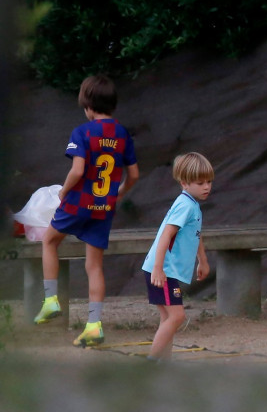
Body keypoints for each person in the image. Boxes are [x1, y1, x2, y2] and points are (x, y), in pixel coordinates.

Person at [34, 74, 139, 347]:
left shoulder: (82, 132)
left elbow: (77, 170)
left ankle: (50, 300)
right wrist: (118, 193)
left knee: (48, 241)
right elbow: (135, 175)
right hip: (103, 207)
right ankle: (94, 326)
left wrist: (64, 191)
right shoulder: (122, 134)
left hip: (78, 202)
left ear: (89, 107)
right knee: (94, 266)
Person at [142, 152, 212, 361]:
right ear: (184, 183)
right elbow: (166, 235)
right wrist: (158, 267)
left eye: (209, 181)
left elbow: (195, 235)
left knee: (168, 318)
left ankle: (164, 363)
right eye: (200, 183)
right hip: (164, 270)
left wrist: (203, 260)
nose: (206, 186)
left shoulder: (192, 205)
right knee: (177, 316)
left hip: (165, 270)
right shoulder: (185, 205)